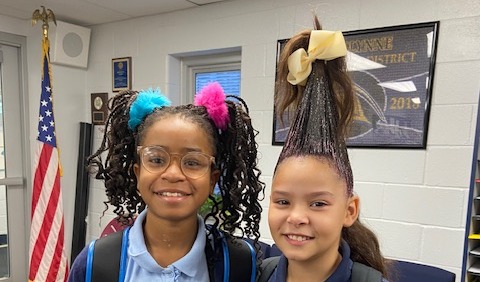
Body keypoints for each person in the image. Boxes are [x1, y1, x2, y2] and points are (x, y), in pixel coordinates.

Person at [68, 83, 264, 282]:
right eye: (156, 160)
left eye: (192, 162)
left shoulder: (239, 263)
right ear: (137, 173)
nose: (172, 174)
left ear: (212, 179)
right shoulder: (95, 263)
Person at [261, 17, 392, 282]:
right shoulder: (260, 273)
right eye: (283, 201)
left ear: (349, 210)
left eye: (318, 203)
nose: (296, 217)